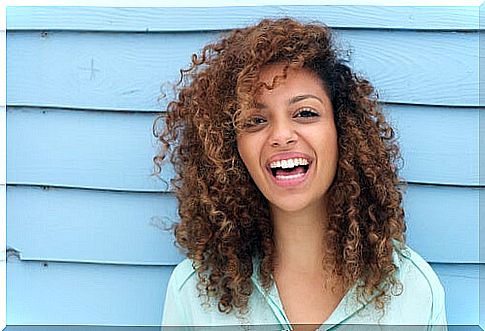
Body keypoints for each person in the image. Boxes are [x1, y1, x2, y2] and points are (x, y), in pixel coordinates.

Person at [154, 18, 447, 330]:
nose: (281, 135)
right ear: (230, 148)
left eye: (305, 113)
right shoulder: (194, 291)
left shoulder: (414, 291)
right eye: (255, 120)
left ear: (342, 132)